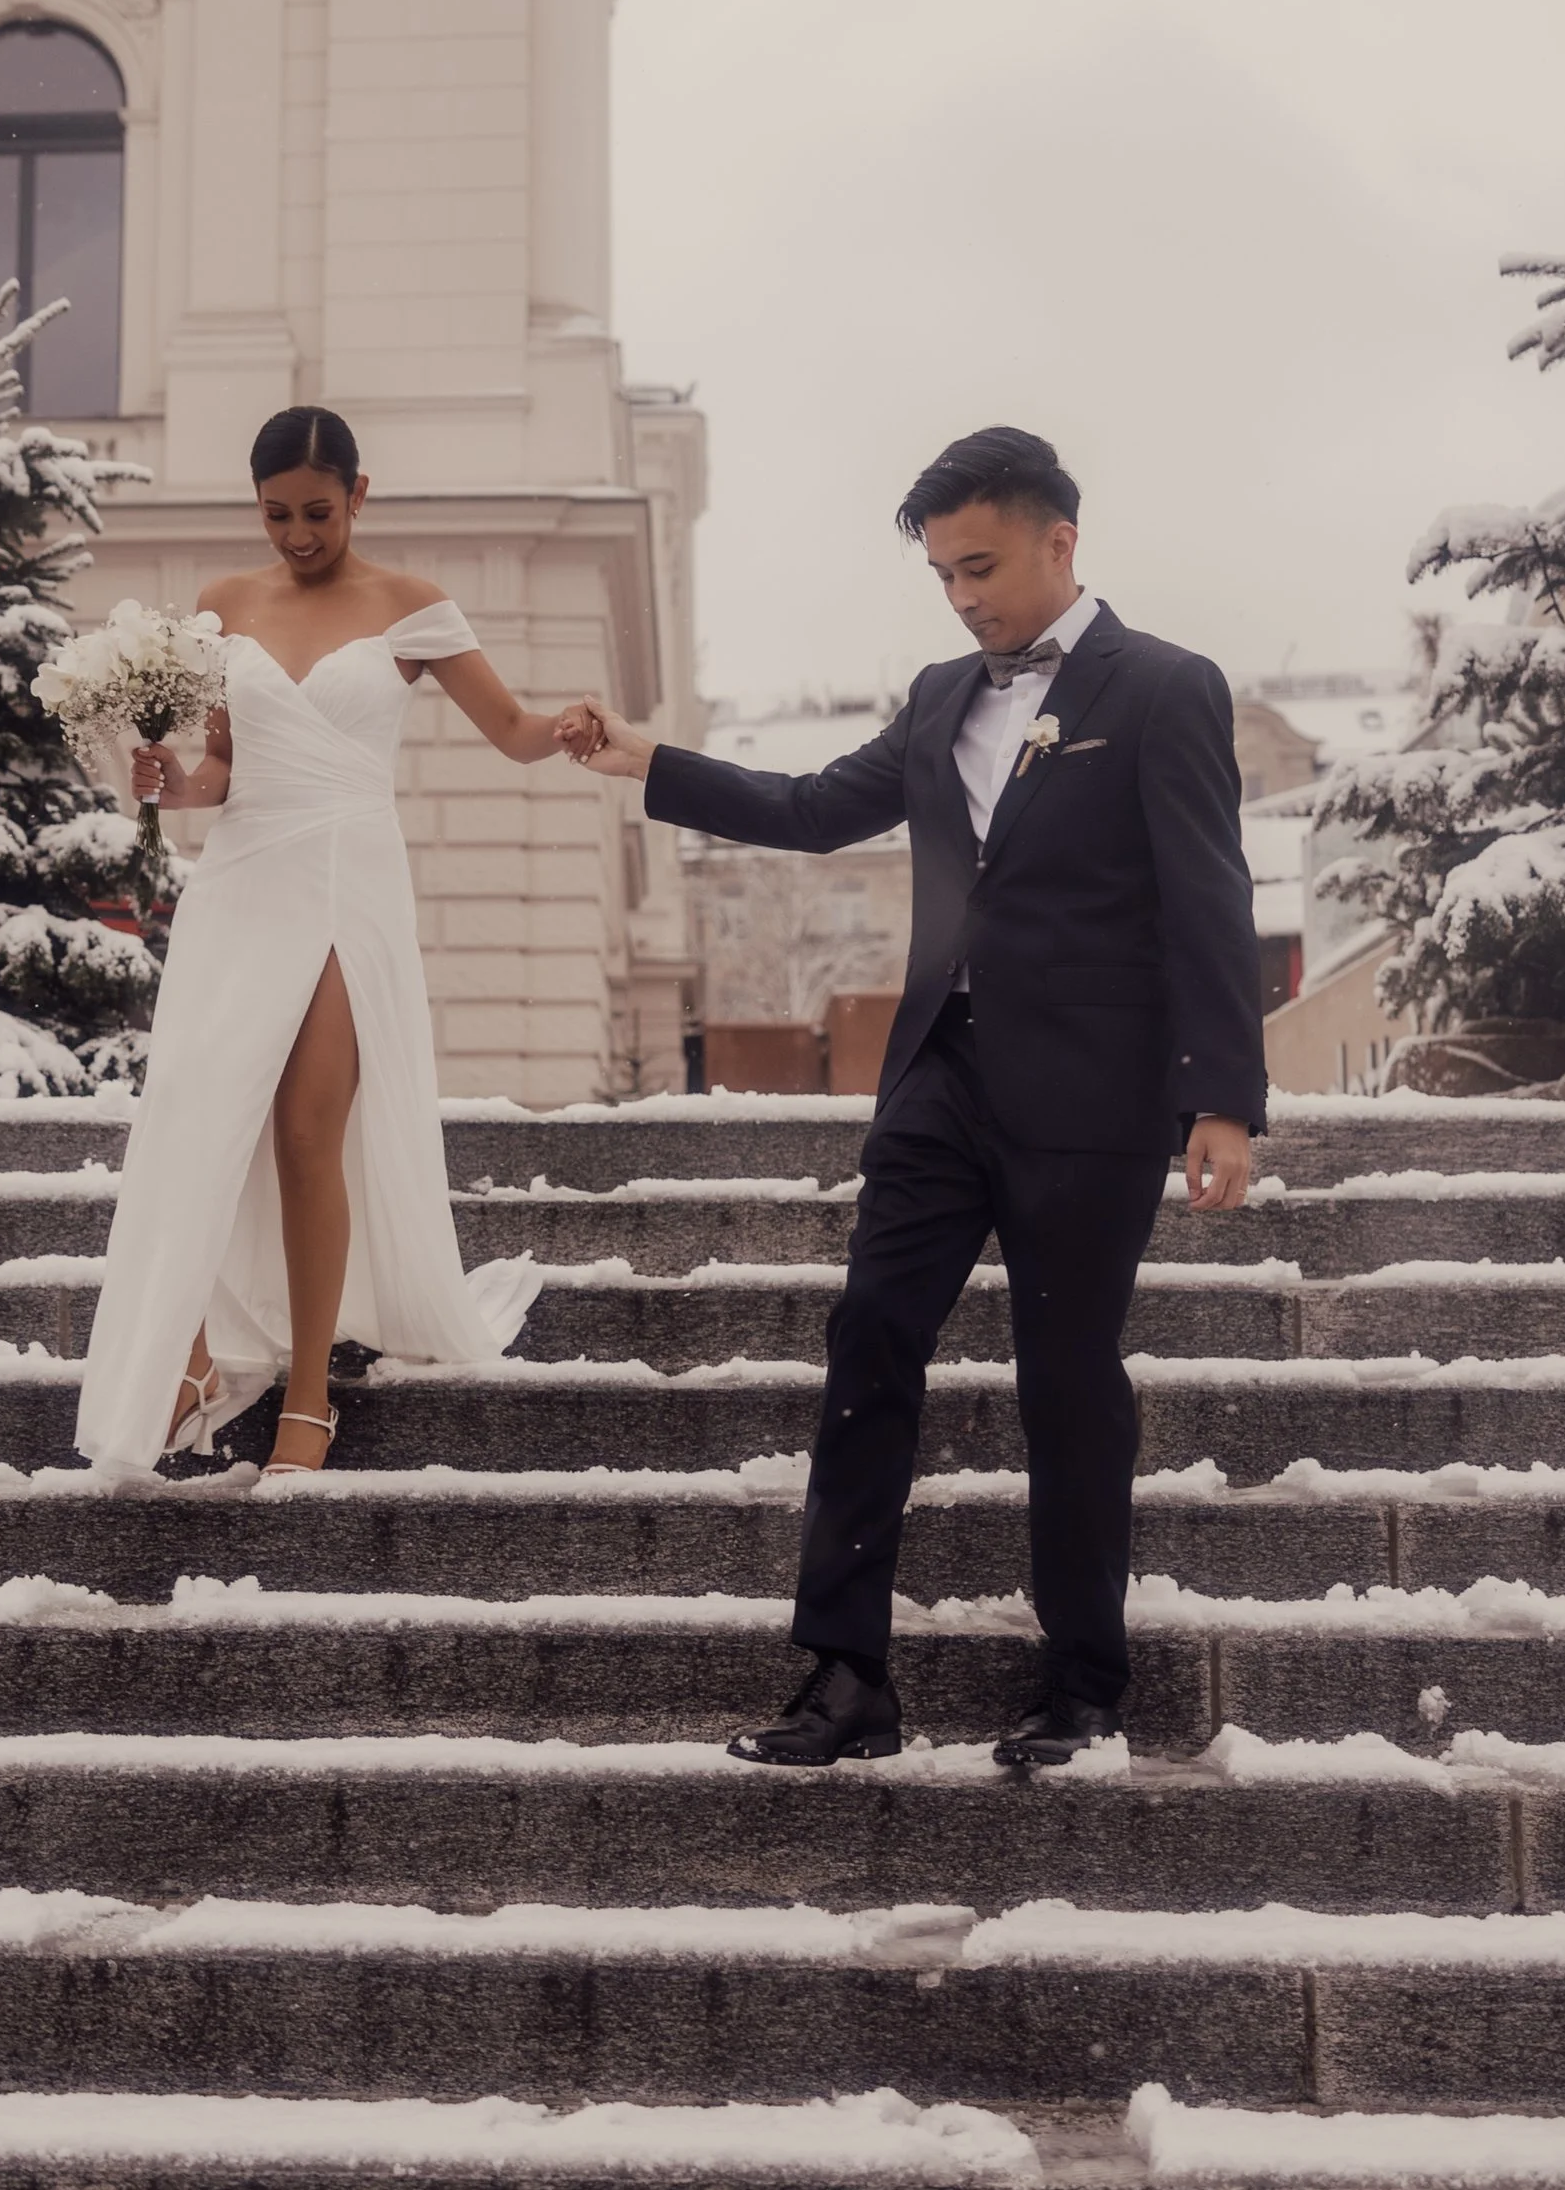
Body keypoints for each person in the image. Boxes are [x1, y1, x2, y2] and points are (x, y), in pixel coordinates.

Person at [562, 424, 1264, 1769]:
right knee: (871, 1338)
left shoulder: (1168, 689)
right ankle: (843, 1680)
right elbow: (816, 804)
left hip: (1094, 1096)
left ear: (1062, 541)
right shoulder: (943, 694)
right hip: (941, 1079)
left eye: (982, 566)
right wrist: (642, 761)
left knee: (1068, 1383)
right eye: (943, 574)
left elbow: (1209, 897)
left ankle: (1082, 1683)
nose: (963, 596)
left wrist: (1219, 1096)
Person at [75, 404, 577, 1486]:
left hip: (349, 879)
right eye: (274, 514)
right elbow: (222, 770)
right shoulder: (221, 605)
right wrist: (172, 786)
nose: (296, 534)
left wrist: (569, 730)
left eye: (316, 510)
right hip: (243, 877)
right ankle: (192, 1361)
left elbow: (514, 731)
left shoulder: (411, 608)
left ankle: (310, 1394)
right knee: (204, 1122)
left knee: (310, 1134)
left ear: (359, 493)